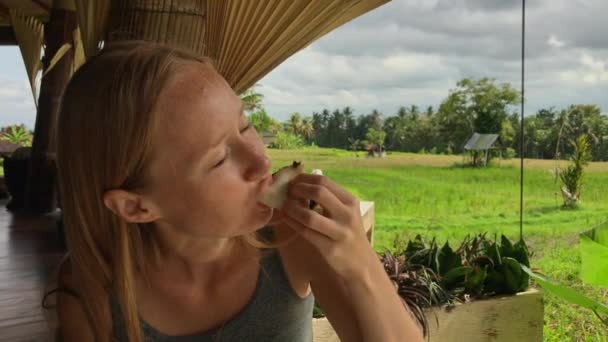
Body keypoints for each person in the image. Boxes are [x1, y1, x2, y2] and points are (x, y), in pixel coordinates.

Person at [49, 40, 423, 342]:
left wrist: (361, 265)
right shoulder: (92, 287)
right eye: (218, 159)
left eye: (244, 126)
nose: (261, 161)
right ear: (135, 206)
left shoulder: (293, 237)